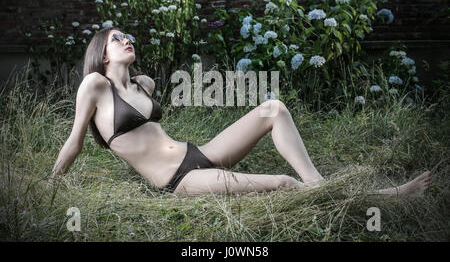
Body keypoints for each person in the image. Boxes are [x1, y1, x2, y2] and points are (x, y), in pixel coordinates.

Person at [49, 28, 432, 196]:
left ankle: (320, 184)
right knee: (282, 184)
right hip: (177, 180)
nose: (127, 38)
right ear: (102, 52)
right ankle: (387, 195)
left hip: (197, 152)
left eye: (127, 35)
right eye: (117, 37)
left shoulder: (145, 84)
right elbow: (74, 143)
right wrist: (51, 185)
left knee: (273, 109)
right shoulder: (95, 86)